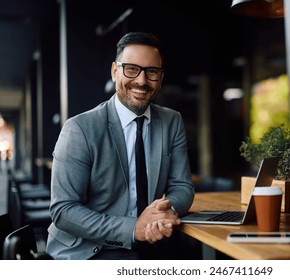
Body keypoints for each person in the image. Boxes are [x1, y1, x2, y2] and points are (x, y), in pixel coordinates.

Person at [46, 32, 195, 260]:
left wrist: (163, 213)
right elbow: (64, 211)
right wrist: (133, 228)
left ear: (160, 78)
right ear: (115, 71)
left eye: (152, 72)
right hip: (88, 250)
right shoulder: (79, 128)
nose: (142, 81)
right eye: (131, 69)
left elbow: (183, 187)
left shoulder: (171, 121)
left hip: (150, 244)